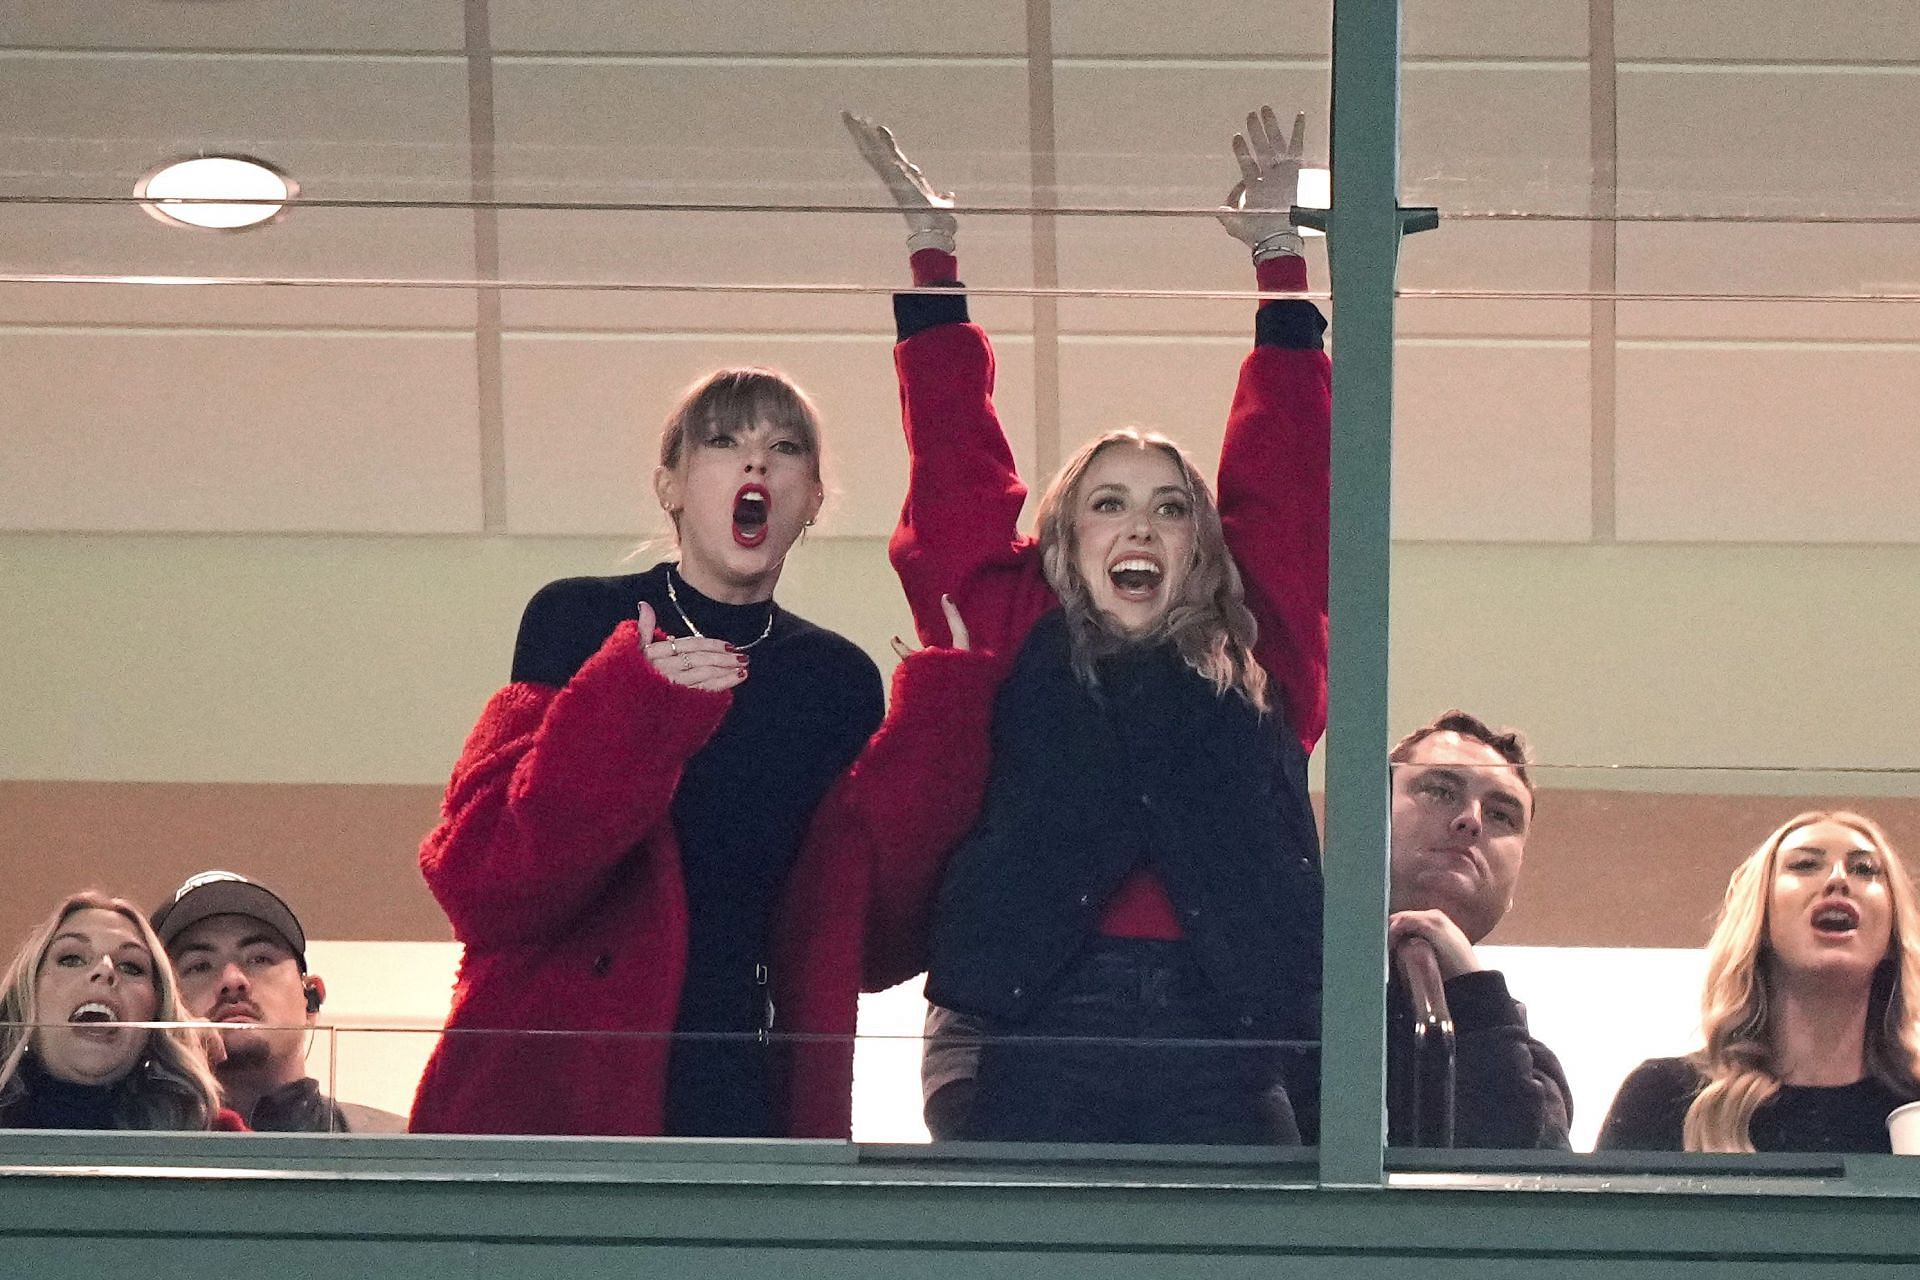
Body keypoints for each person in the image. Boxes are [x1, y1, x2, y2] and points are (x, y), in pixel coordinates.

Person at [848, 106, 1328, 1143]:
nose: (1140, 521)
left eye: (1169, 503)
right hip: (1037, 1021)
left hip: (1227, 1032)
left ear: (1203, 543)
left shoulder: (1260, 649)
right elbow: (955, 474)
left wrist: (1281, 262)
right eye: (1107, 500)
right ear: (1065, 537)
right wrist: (934, 260)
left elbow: (1289, 480)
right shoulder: (1018, 624)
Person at [410, 367, 1005, 1138]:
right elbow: (483, 882)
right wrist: (632, 703)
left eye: (785, 447)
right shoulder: (578, 619)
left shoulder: (834, 680)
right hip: (554, 1088)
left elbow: (866, 943)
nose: (756, 463)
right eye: (724, 441)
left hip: (739, 1081)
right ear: (671, 485)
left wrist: (944, 723)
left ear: (813, 500)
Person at [923, 710, 1573, 1149]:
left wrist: (1471, 991)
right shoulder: (1236, 952)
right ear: (1359, 811)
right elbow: (966, 1078)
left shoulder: (1525, 1059)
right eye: (1439, 790)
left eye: (1504, 814)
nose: (1471, 821)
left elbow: (1518, 1199)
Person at [1596, 811, 1920, 1153]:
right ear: (1761, 922)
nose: (1838, 880)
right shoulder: (1663, 1098)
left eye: (1864, 869)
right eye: (1805, 865)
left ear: (1892, 931)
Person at [150, 870, 406, 1133]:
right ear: (161, 1010)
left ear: (311, 999)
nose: (232, 980)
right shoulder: (128, 1144)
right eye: (200, 966)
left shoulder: (399, 1145)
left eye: (259, 959)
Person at [0, 891, 241, 1131]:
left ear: (156, 1012)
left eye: (131, 966)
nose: (105, 970)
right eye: (71, 959)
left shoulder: (212, 1131)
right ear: (26, 995)